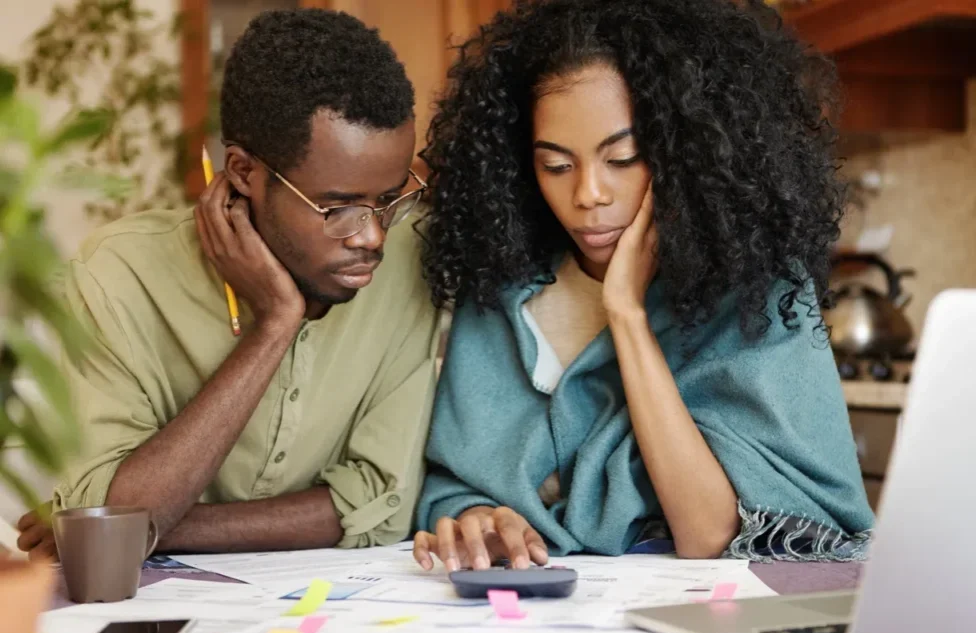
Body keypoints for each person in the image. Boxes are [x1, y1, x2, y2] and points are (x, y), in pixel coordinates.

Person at [412, 0, 874, 570]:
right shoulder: (500, 295)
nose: (588, 195)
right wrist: (478, 516)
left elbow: (709, 531)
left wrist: (626, 312)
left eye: (623, 159)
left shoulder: (759, 297)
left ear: (687, 154)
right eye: (556, 165)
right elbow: (453, 486)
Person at [17, 8, 438, 561]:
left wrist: (156, 525)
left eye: (388, 201)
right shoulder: (118, 275)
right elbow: (109, 533)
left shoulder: (413, 265)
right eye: (335, 208)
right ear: (241, 172)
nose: (373, 237)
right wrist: (276, 323)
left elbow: (379, 503)